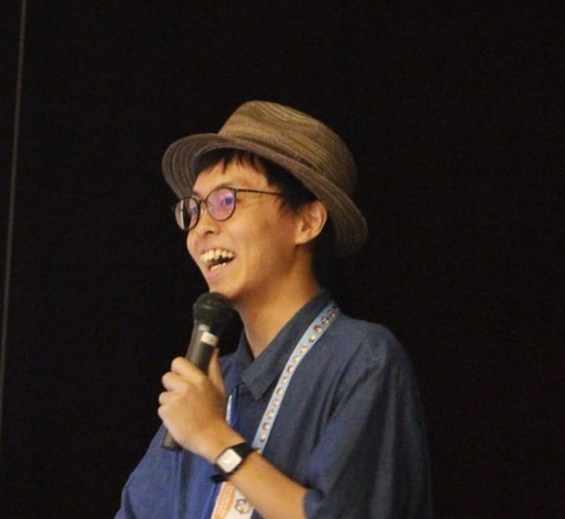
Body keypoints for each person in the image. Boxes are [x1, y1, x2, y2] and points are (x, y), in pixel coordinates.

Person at [114, 101, 431, 518]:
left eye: (226, 200)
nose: (202, 227)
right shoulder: (209, 388)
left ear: (307, 222)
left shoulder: (362, 360)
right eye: (194, 208)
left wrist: (216, 440)